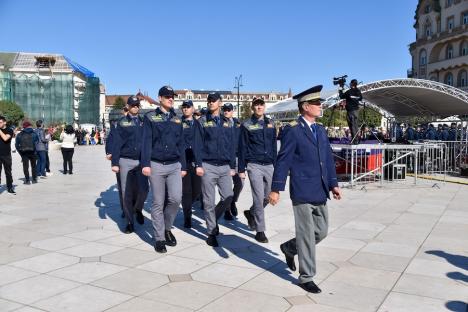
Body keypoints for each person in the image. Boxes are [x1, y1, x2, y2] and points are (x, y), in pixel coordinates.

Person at [268, 85, 342, 294]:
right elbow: (283, 161)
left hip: (319, 189)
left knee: (322, 231)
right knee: (307, 235)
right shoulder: (292, 130)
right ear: (306, 107)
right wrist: (276, 188)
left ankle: (290, 248)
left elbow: (327, 159)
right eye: (317, 104)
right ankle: (306, 276)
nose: (321, 106)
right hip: (302, 189)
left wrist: (333, 184)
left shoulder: (320, 129)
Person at [141, 86, 186, 253]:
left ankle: (167, 228)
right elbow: (146, 141)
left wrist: (184, 165)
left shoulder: (177, 118)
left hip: (175, 165)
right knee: (158, 202)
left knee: (175, 199)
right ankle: (159, 237)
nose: (170, 99)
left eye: (172, 96)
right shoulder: (150, 117)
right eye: (167, 96)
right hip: (156, 164)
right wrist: (145, 163)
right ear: (159, 98)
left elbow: (181, 143)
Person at [194, 92, 236, 247]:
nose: (210, 102)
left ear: (220, 102)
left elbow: (232, 146)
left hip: (225, 166)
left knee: (229, 196)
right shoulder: (202, 121)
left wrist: (232, 166)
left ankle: (213, 219)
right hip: (208, 165)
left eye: (213, 100)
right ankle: (211, 232)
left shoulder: (228, 122)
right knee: (208, 201)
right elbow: (197, 144)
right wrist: (198, 164)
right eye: (209, 100)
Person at [238, 97, 277, 243]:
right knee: (258, 197)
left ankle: (251, 212)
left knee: (269, 195)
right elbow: (242, 147)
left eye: (261, 104)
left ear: (264, 107)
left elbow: (274, 145)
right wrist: (241, 168)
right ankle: (260, 230)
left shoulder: (271, 123)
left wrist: (277, 165)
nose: (259, 107)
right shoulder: (247, 125)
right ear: (252, 108)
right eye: (256, 105)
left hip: (269, 165)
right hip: (254, 165)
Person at [112, 96, 149, 234]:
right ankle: (129, 221)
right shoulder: (121, 123)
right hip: (125, 160)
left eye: (137, 105)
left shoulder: (144, 122)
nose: (135, 107)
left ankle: (138, 209)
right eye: (133, 105)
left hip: (141, 161)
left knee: (144, 190)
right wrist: (115, 162)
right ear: (127, 106)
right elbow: (116, 143)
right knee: (126, 192)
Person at [180, 100, 202, 228]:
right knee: (186, 191)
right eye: (184, 107)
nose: (186, 109)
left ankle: (188, 207)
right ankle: (187, 216)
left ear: (193, 109)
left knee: (197, 190)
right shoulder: (178, 123)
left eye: (188, 107)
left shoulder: (198, 124)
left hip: (196, 161)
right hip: (184, 161)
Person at [221, 102, 243, 220]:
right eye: (224, 109)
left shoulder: (238, 123)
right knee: (226, 186)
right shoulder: (220, 122)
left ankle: (233, 201)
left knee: (239, 183)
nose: (226, 111)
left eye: (228, 110)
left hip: (236, 157)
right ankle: (227, 210)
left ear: (232, 111)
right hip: (224, 157)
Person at [0, 116, 15, 194]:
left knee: (8, 172)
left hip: (6, 155)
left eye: (0, 122)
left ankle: (10, 187)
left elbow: (5, 138)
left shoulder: (9, 130)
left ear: (5, 122)